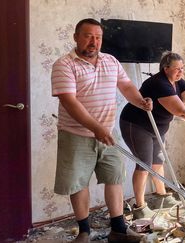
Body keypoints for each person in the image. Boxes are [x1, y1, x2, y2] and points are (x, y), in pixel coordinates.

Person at [51, 18, 152, 243]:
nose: (94, 41)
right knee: (79, 183)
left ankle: (118, 231)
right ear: (76, 37)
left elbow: (126, 86)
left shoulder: (111, 61)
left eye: (98, 37)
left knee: (114, 177)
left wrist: (140, 101)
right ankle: (84, 232)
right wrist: (95, 128)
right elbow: (70, 102)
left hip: (107, 131)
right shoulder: (64, 64)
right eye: (88, 36)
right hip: (75, 134)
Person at [119, 51, 185, 219]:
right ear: (165, 68)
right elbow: (181, 111)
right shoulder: (160, 83)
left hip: (157, 127)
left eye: (182, 68)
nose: (180, 72)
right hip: (136, 125)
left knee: (157, 160)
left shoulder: (178, 82)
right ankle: (140, 207)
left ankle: (161, 197)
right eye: (177, 69)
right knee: (144, 164)